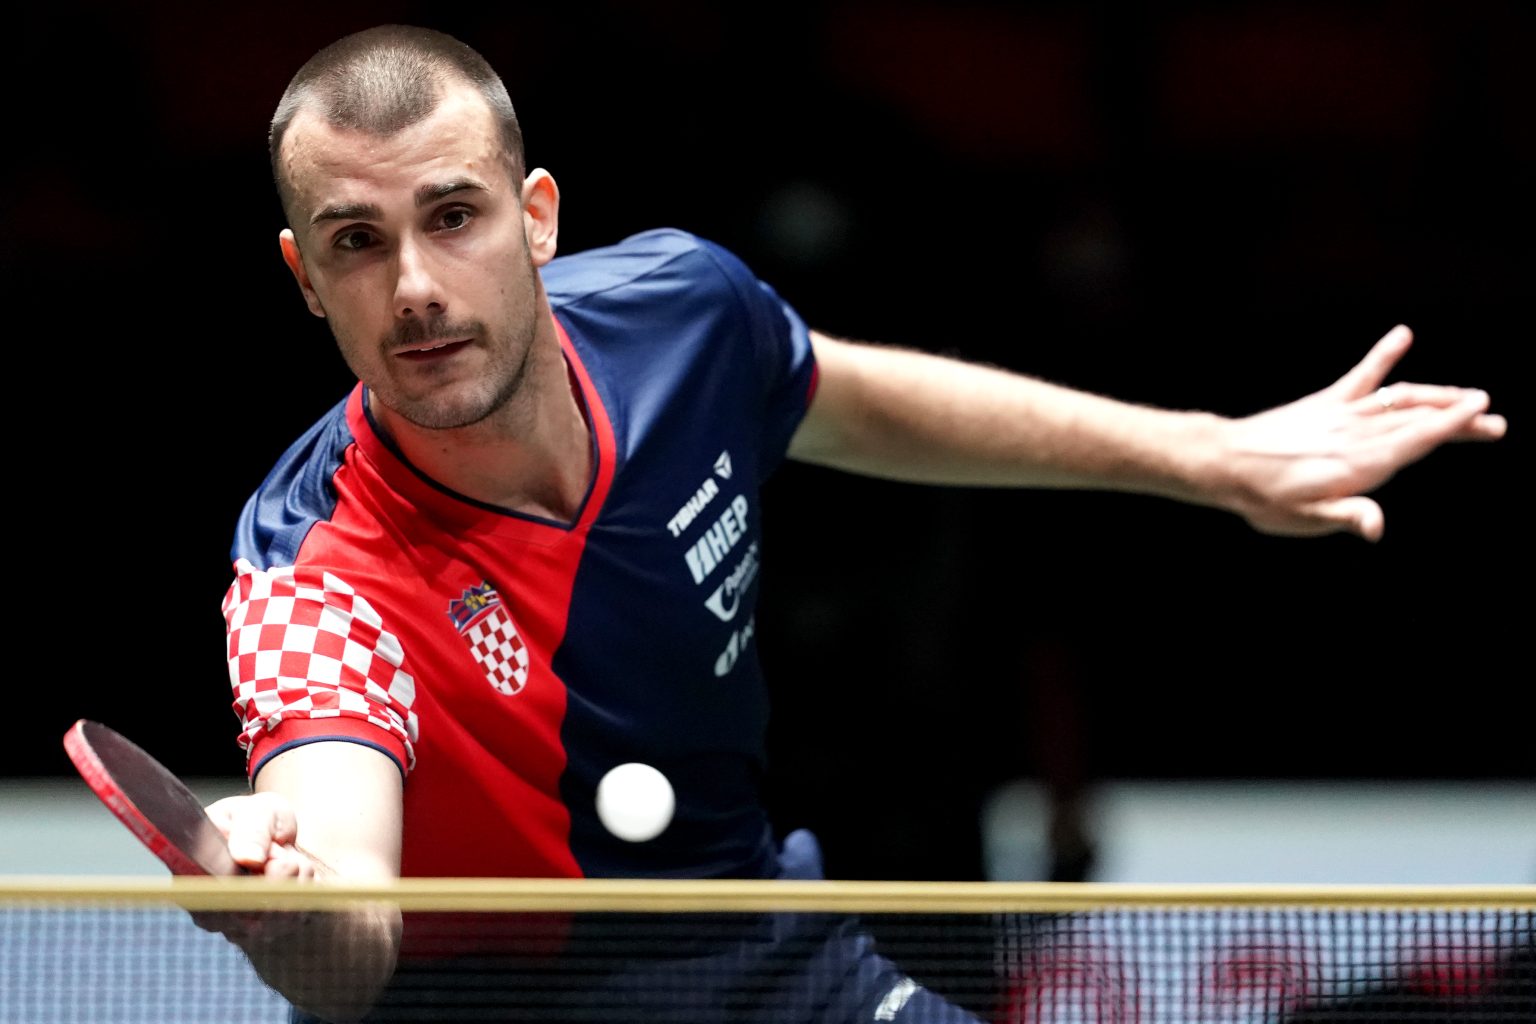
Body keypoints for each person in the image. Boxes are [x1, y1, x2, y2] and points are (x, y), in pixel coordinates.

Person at [201, 22, 1507, 1024]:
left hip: (758, 951)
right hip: (494, 1009)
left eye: (453, 217)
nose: (416, 286)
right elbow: (349, 929)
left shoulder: (679, 315)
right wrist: (294, 912)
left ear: (535, 217)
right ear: (304, 276)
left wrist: (1216, 456)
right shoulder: (310, 574)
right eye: (357, 241)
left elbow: (859, 402)